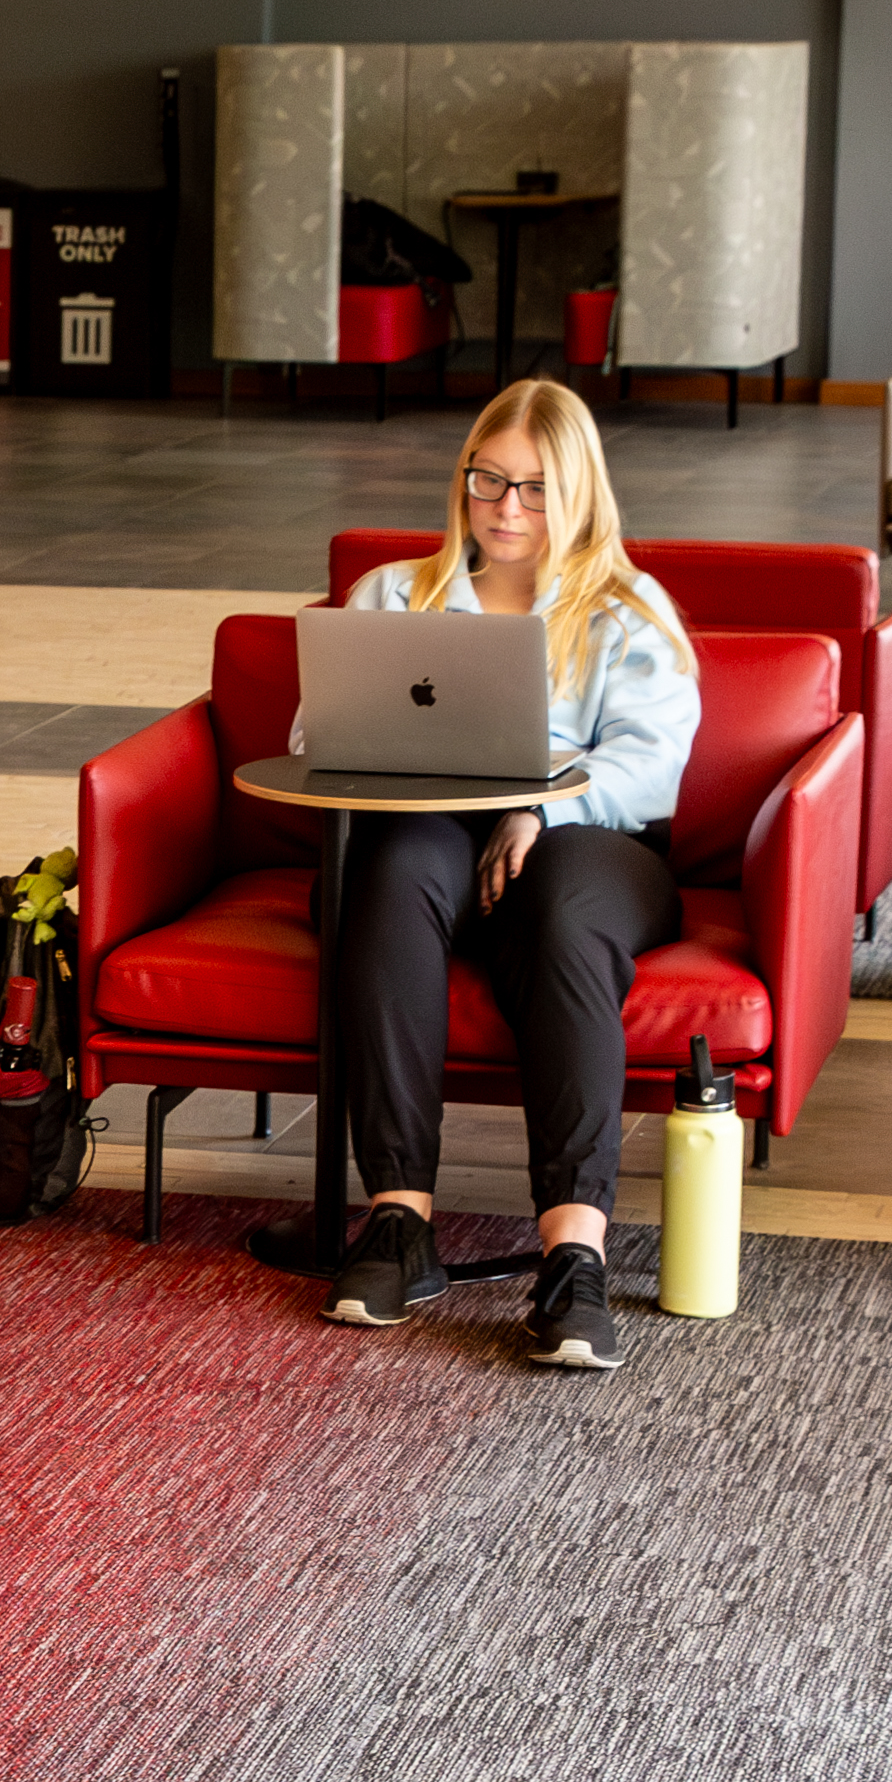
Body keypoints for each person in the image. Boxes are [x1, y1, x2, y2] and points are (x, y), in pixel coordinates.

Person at [308, 377, 704, 1369]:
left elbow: (651, 764)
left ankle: (574, 1256)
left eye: (533, 488)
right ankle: (400, 1221)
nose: (507, 509)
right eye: (489, 481)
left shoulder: (627, 610)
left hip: (590, 838)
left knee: (564, 911)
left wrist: (541, 808)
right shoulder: (394, 595)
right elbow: (318, 733)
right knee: (394, 868)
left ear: (579, 491)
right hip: (433, 830)